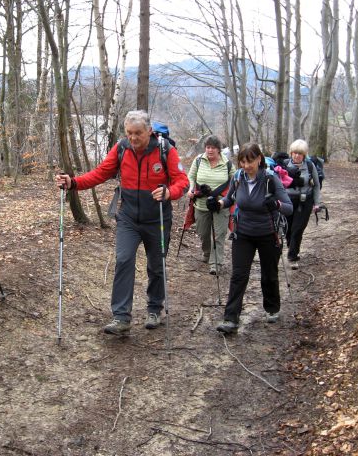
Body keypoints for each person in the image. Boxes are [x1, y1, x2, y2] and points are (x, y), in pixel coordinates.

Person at [55, 110, 189, 335]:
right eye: (129, 133)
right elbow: (101, 173)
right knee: (124, 259)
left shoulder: (165, 150)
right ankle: (121, 316)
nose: (133, 138)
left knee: (156, 266)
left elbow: (183, 182)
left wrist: (168, 192)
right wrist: (73, 183)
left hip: (157, 218)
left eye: (138, 133)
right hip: (128, 217)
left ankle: (155, 308)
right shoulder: (122, 149)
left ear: (149, 131)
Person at [209, 142, 293, 334]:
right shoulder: (238, 177)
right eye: (242, 162)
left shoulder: (271, 179)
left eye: (250, 161)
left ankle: (272, 308)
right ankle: (231, 318)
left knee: (269, 274)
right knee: (238, 275)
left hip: (268, 233)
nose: (246, 166)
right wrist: (219, 203)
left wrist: (276, 204)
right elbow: (230, 198)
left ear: (259, 159)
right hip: (243, 233)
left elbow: (288, 207)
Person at [187, 135, 235, 275]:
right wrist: (191, 189)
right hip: (201, 204)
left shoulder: (227, 164)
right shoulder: (198, 161)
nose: (210, 150)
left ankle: (215, 263)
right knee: (203, 233)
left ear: (219, 150)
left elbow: (235, 180)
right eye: (208, 147)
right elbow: (191, 176)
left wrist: (228, 197)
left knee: (219, 234)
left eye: (213, 148)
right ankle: (207, 252)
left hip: (221, 204)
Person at [282, 139, 322, 270]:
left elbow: (316, 185)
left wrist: (317, 204)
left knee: (297, 229)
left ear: (304, 154)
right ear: (291, 153)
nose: (297, 156)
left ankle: (292, 256)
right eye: (294, 153)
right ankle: (291, 246)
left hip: (305, 202)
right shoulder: (284, 166)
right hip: (287, 201)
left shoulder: (310, 166)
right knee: (287, 229)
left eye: (300, 153)